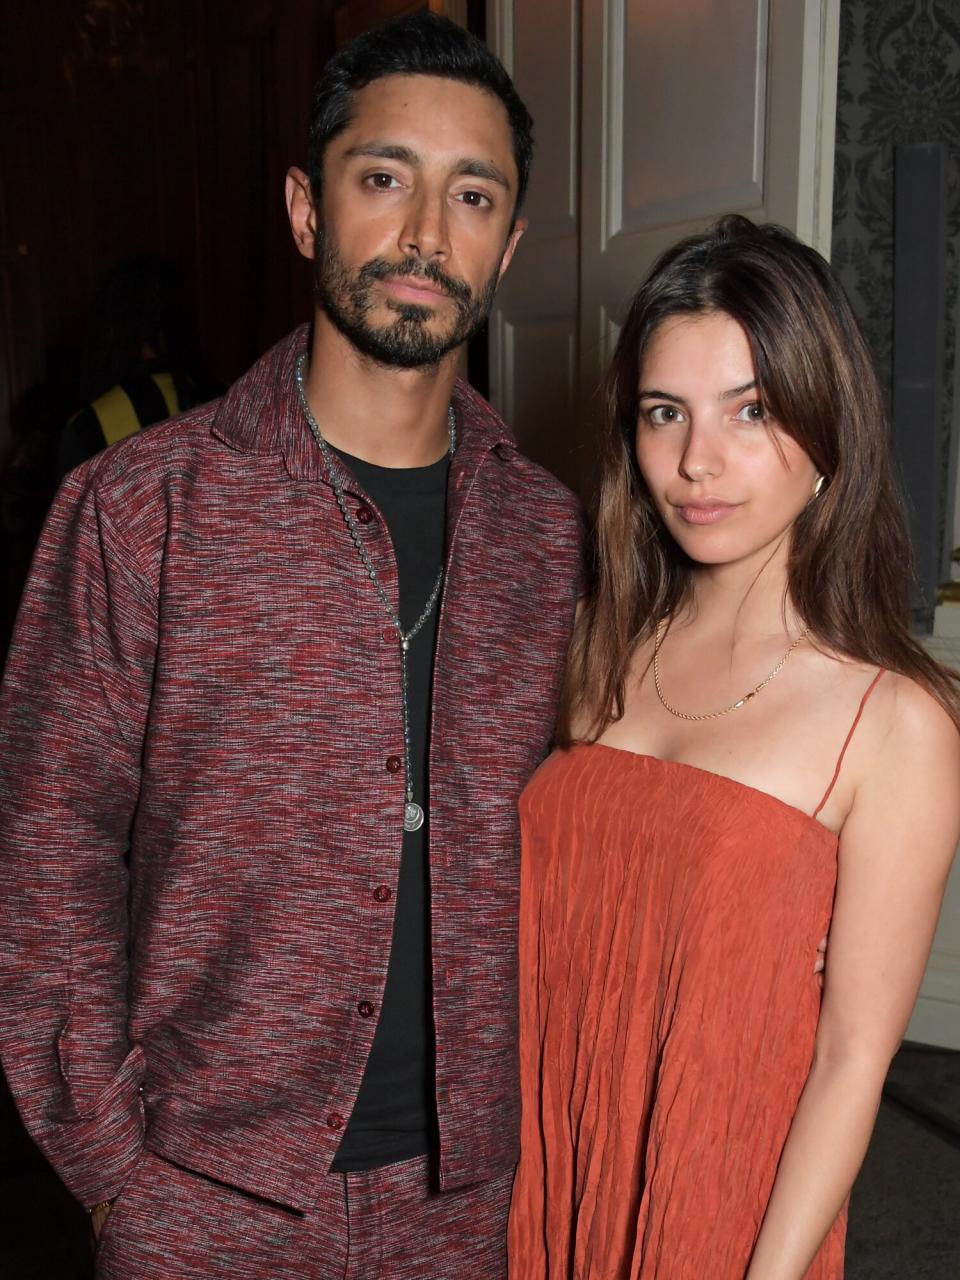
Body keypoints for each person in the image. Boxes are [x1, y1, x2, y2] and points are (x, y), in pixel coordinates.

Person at [0, 14, 582, 1279]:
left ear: (509, 245)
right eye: (385, 178)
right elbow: (51, 860)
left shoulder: (549, 536)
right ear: (307, 209)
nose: (427, 233)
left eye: (471, 195)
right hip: (202, 1201)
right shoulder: (138, 508)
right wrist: (115, 1179)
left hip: (471, 1207)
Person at [508, 215, 960, 1279]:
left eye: (749, 411)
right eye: (665, 412)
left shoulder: (893, 721)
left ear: (827, 431)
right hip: (545, 1155)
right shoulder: (596, 638)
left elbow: (855, 1057)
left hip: (713, 1200)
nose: (695, 462)